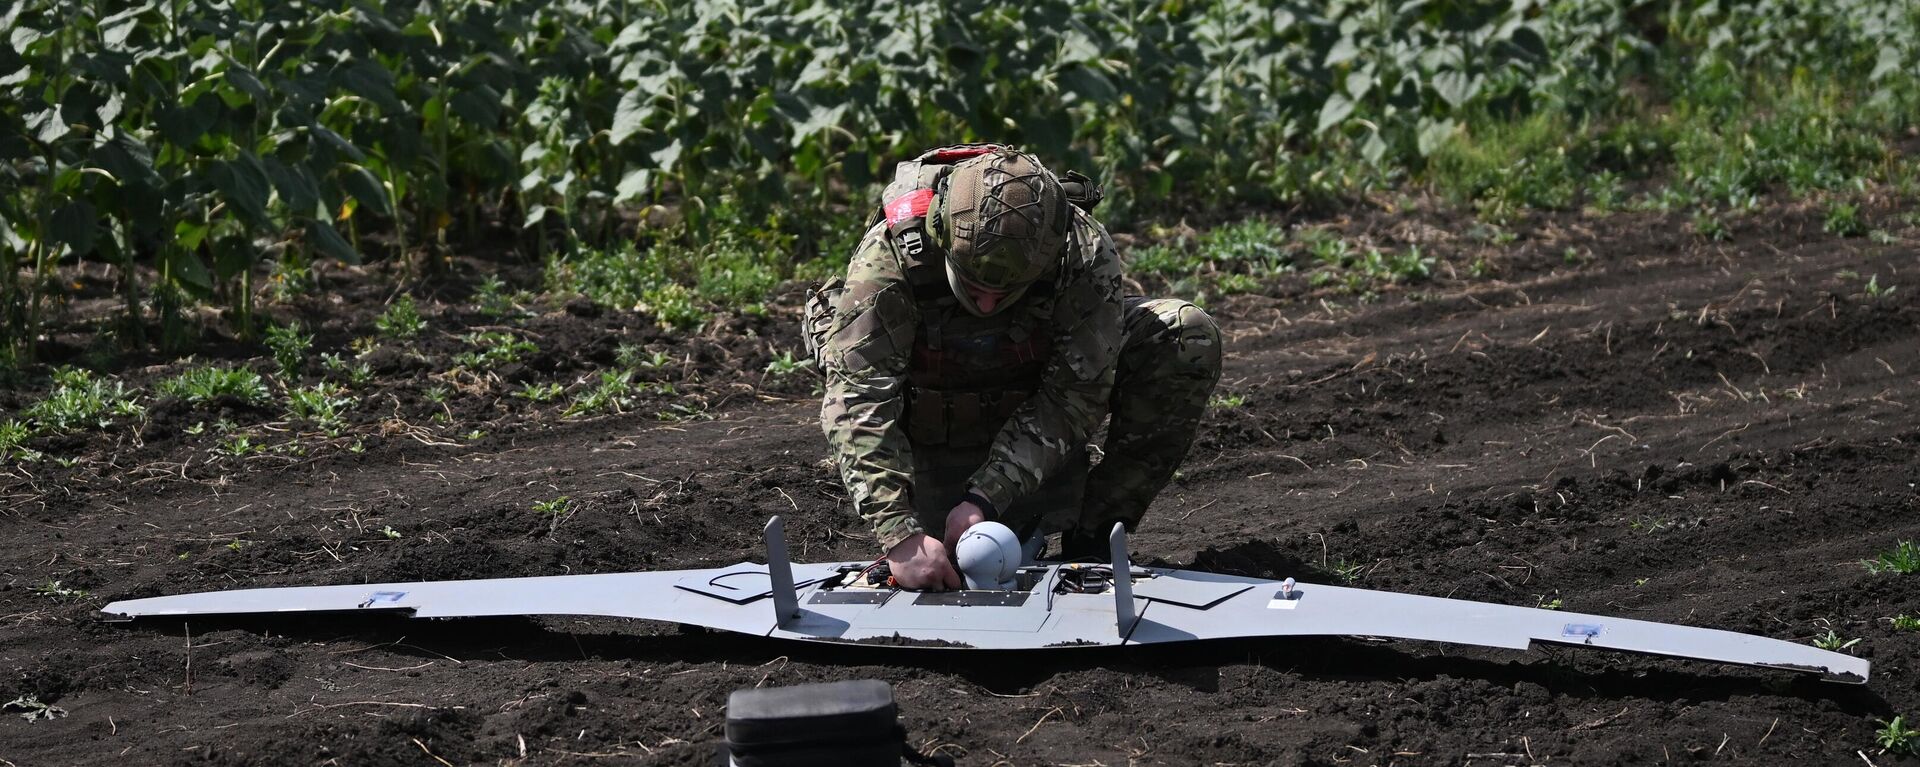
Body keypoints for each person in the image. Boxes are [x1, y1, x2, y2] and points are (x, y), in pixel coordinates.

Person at [805, 144, 1222, 590]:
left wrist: (984, 494)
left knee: (1184, 335)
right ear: (941, 235)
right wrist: (900, 535)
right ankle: (929, 502)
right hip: (927, 422)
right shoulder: (891, 254)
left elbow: (1075, 396)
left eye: (1005, 293)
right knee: (840, 341)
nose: (985, 305)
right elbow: (857, 396)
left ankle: (1093, 536)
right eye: (972, 284)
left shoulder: (1078, 249)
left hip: (1030, 415)